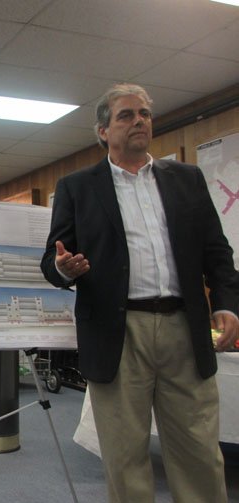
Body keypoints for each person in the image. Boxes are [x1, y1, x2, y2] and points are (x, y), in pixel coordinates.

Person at [40, 83, 239, 502]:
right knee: (126, 456)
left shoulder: (186, 179)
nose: (139, 122)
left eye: (145, 114)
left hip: (186, 328)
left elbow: (218, 253)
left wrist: (226, 304)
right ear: (103, 131)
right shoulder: (78, 187)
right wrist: (62, 268)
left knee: (199, 451)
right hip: (118, 332)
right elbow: (52, 261)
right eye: (127, 116)